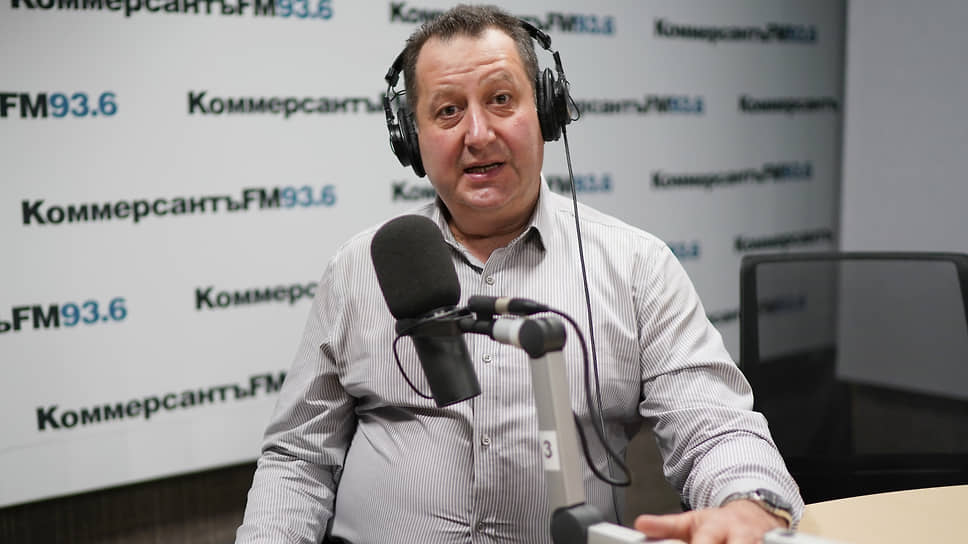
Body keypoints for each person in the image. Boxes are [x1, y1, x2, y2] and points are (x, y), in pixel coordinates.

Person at [236, 5, 803, 543]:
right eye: (447, 111)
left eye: (501, 99)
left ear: (547, 112)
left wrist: (749, 504)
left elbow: (714, 427)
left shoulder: (636, 267)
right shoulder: (357, 268)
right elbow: (298, 459)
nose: (478, 134)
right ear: (411, 139)